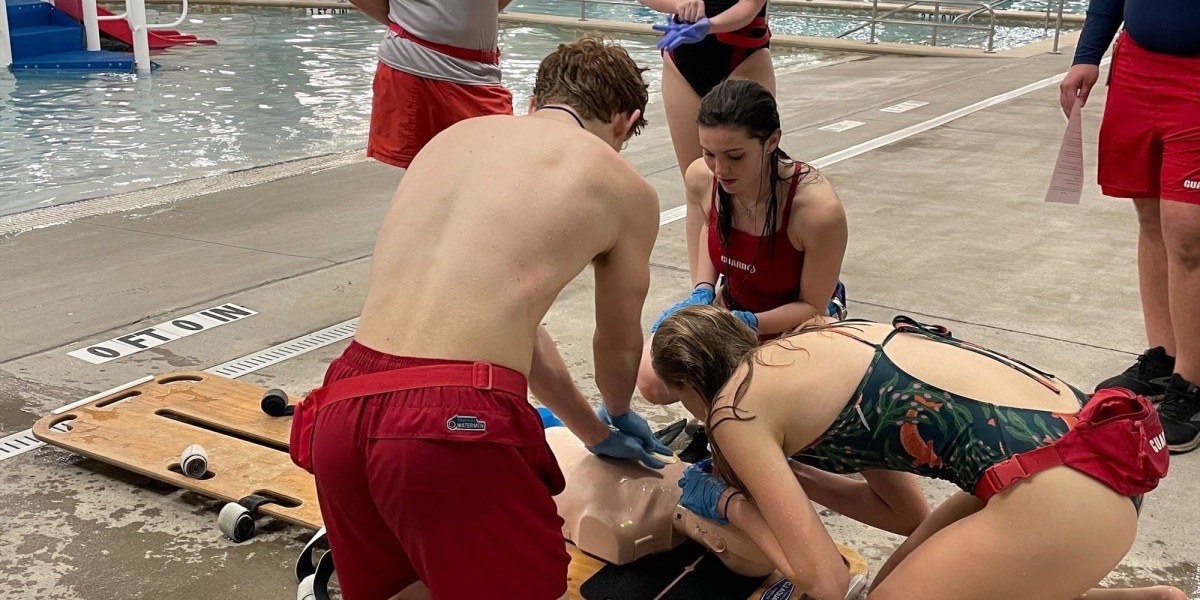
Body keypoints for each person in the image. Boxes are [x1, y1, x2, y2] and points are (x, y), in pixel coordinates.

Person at [288, 38, 675, 600]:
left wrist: (592, 433)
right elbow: (616, 346)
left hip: (344, 405)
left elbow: (512, 331)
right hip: (451, 427)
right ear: (626, 121)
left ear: (535, 97)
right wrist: (617, 410)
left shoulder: (452, 140)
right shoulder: (623, 187)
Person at [648, 306, 1181, 600]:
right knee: (889, 587)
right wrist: (797, 479)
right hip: (1093, 461)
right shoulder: (817, 350)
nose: (697, 420)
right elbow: (905, 514)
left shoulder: (734, 407)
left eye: (683, 404)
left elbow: (826, 582)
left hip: (1059, 499)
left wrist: (728, 504)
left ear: (694, 386)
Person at [636, 79, 848, 412]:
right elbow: (709, 228)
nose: (720, 169)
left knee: (753, 397)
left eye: (735, 156)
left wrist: (746, 324)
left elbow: (811, 306)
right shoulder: (701, 179)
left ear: (772, 141)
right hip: (733, 308)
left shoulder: (817, 210)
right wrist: (702, 292)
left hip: (798, 323)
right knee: (655, 376)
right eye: (709, 154)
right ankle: (723, 433)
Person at [1058, 0, 1200, 453]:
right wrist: (1087, 55)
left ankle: (1193, 386)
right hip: (1138, 66)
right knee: (1152, 218)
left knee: (1189, 232)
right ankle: (1165, 357)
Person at [346, 0, 516, 169]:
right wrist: (410, 23)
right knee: (426, 175)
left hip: (478, 71)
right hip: (416, 64)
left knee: (496, 166)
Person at [638, 0, 777, 179]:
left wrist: (710, 26)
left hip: (744, 56)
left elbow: (749, 7)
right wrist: (679, 4)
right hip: (683, 55)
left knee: (752, 184)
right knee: (697, 181)